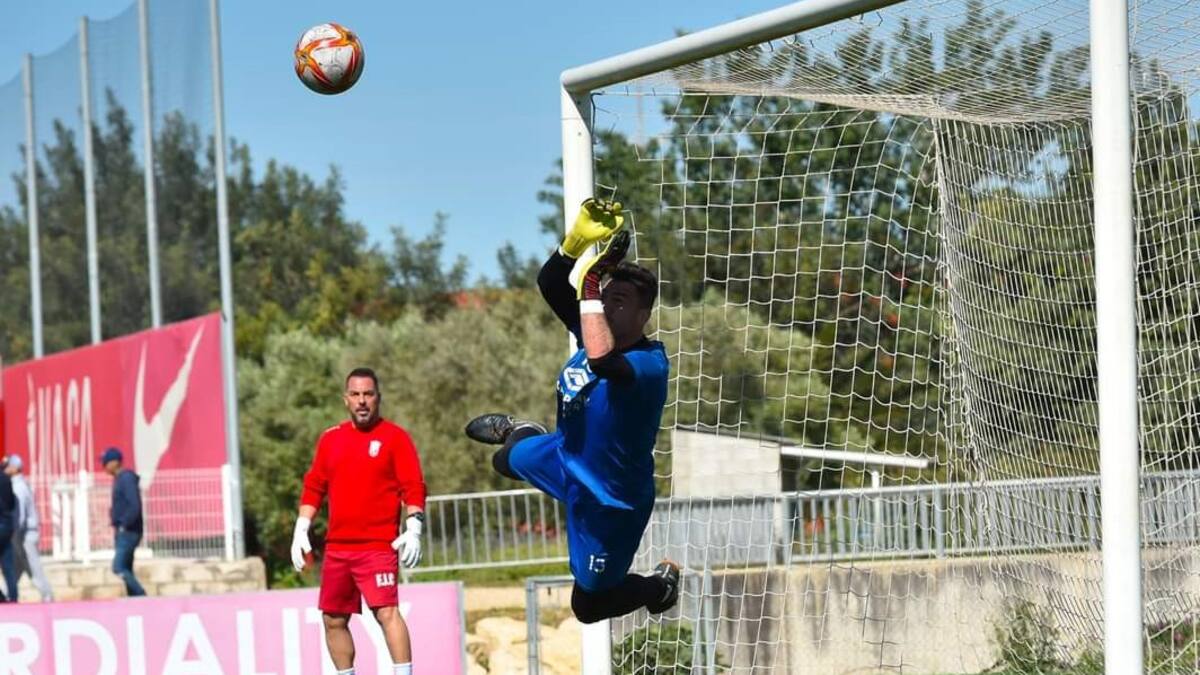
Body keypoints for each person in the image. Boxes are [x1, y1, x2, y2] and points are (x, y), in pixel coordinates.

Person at [465, 198, 680, 624]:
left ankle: (660, 588)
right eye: (606, 298)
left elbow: (601, 359)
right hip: (565, 455)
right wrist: (576, 243)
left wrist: (593, 280)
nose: (606, 307)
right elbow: (549, 283)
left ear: (643, 314)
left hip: (608, 498)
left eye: (619, 301)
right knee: (504, 459)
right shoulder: (594, 335)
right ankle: (524, 429)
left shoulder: (648, 364)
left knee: (588, 607)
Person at [292, 367, 427, 675]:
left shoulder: (395, 438)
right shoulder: (331, 439)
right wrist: (301, 530)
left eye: (368, 394)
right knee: (333, 618)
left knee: (386, 611)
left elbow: (413, 486)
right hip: (338, 548)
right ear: (346, 400)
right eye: (355, 394)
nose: (362, 401)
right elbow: (315, 486)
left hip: (377, 546)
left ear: (378, 398)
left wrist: (414, 526)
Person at [6, 455, 53, 601]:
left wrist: (13, 533)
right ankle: (7, 594)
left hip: (25, 535)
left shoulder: (18, 487)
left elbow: (20, 514)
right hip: (24, 534)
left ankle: (47, 596)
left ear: (14, 468)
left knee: (33, 568)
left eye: (7, 466)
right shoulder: (20, 484)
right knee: (16, 568)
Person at [101, 447, 146, 597]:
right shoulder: (120, 480)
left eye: (106, 462)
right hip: (125, 531)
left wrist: (124, 524)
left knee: (118, 567)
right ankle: (134, 598)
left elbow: (134, 505)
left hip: (128, 531)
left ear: (115, 462)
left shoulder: (126, 479)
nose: (104, 466)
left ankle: (140, 594)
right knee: (127, 567)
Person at [0, 458, 16, 601]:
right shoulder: (6, 479)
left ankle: (2, 598)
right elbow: (12, 503)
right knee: (8, 567)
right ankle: (13, 599)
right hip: (7, 525)